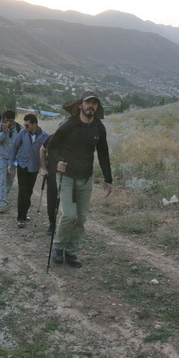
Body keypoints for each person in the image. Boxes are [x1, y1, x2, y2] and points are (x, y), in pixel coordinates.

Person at [47, 90, 112, 268]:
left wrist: (108, 179)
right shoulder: (69, 125)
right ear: (81, 104)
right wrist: (57, 162)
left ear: (97, 107)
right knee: (69, 215)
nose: (91, 105)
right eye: (88, 102)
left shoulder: (98, 127)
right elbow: (51, 148)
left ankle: (71, 251)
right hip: (67, 176)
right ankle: (59, 248)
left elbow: (103, 153)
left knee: (81, 218)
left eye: (94, 103)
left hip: (86, 178)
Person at [11, 114, 49, 228]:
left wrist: (45, 168)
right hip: (22, 165)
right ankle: (20, 218)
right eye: (24, 125)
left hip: (34, 167)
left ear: (34, 124)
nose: (25, 127)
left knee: (29, 191)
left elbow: (46, 153)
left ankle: (24, 213)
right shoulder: (22, 133)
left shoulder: (44, 136)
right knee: (22, 191)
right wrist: (11, 163)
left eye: (27, 125)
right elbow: (15, 147)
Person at [0, 110, 22, 214]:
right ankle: (2, 203)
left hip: (14, 160)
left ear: (14, 119)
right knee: (2, 178)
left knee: (10, 180)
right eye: (6, 121)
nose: (8, 123)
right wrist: (3, 132)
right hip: (1, 156)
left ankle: (3, 195)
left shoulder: (19, 128)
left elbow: (22, 143)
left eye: (11, 120)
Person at [39, 135, 59, 236]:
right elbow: (42, 150)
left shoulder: (73, 138)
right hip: (52, 171)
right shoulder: (51, 137)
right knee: (52, 198)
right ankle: (52, 223)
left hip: (69, 173)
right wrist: (43, 168)